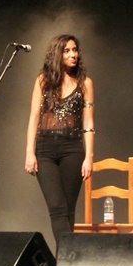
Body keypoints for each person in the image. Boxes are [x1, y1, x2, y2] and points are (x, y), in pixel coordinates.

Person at [25, 34, 95, 251]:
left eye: (75, 50)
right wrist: (29, 152)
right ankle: (70, 259)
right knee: (57, 208)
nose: (73, 55)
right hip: (45, 149)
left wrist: (89, 157)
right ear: (57, 54)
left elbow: (88, 123)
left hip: (72, 149)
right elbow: (34, 117)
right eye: (67, 51)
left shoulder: (85, 84)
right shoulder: (43, 81)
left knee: (68, 211)